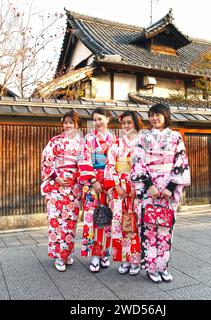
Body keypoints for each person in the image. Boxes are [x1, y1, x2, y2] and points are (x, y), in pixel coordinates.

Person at [131, 103, 191, 283]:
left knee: (165, 228)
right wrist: (149, 185)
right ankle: (151, 267)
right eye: (151, 115)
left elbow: (180, 161)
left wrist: (171, 187)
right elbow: (137, 161)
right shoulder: (143, 137)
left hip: (167, 188)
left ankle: (163, 266)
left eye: (158, 114)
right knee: (148, 227)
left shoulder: (175, 136)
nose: (154, 118)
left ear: (166, 116)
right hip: (149, 188)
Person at [41, 111, 83, 272]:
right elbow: (46, 160)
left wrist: (78, 178)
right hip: (57, 186)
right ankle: (59, 256)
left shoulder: (82, 143)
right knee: (56, 220)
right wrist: (55, 177)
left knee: (71, 221)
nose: (68, 125)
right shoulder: (55, 142)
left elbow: (85, 164)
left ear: (77, 124)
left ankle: (67, 253)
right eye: (66, 122)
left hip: (73, 186)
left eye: (71, 123)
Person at [104, 111, 143, 276]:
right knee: (120, 225)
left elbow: (143, 166)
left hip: (135, 190)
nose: (126, 126)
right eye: (124, 123)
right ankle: (124, 259)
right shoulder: (115, 144)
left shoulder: (142, 144)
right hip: (119, 191)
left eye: (129, 122)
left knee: (134, 225)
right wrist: (116, 186)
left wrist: (137, 186)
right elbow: (110, 165)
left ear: (136, 124)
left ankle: (135, 259)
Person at [78, 108, 116, 273]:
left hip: (109, 183)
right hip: (92, 183)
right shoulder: (88, 139)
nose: (97, 122)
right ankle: (95, 255)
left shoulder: (114, 139)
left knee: (107, 218)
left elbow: (117, 162)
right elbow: (83, 160)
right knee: (92, 218)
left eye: (100, 119)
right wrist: (93, 180)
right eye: (94, 120)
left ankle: (105, 252)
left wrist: (109, 181)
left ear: (108, 119)